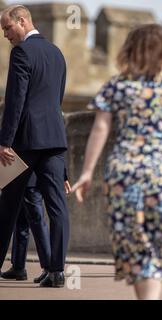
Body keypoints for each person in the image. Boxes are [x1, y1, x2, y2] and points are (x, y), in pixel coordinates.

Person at [71, 24, 162, 300]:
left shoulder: (117, 85)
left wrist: (87, 172)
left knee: (137, 244)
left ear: (129, 48)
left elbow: (100, 129)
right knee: (159, 245)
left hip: (125, 174)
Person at [0, 5, 70, 287]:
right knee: (57, 207)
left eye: (7, 28)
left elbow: (15, 101)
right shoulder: (57, 53)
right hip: (54, 139)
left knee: (7, 206)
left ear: (23, 20)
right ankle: (56, 271)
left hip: (25, 141)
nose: (5, 34)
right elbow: (57, 100)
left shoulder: (22, 52)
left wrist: (5, 141)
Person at [0, 172, 71, 283]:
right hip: (23, 177)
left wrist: (63, 175)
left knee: (37, 221)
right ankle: (18, 267)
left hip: (29, 178)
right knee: (21, 221)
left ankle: (48, 267)